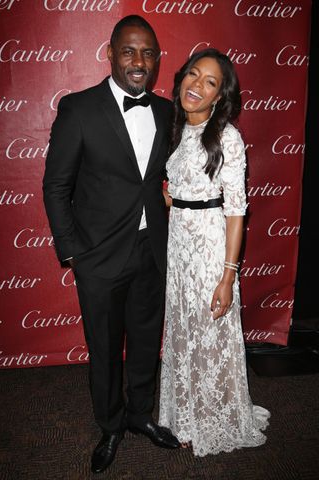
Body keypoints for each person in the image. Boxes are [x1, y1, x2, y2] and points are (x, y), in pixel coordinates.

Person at [43, 15, 179, 474]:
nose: (139, 62)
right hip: (98, 257)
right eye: (129, 51)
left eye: (148, 53)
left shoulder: (166, 111)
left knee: (145, 340)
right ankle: (111, 424)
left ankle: (140, 415)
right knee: (103, 348)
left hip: (151, 250)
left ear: (157, 60)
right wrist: (72, 252)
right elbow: (56, 186)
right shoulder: (78, 109)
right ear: (110, 54)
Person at [159, 48, 270, 457]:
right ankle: (185, 414)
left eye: (210, 82)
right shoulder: (174, 128)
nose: (197, 86)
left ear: (220, 97)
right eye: (193, 74)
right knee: (184, 331)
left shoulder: (227, 137)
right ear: (181, 79)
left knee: (210, 334)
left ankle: (215, 417)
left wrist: (228, 276)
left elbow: (236, 209)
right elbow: (181, 188)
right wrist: (171, 198)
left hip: (209, 253)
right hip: (178, 248)